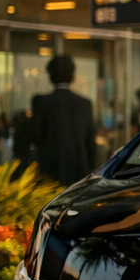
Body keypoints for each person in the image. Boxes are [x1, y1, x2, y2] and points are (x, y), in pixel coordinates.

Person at [29, 55, 96, 185]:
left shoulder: (41, 102)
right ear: (73, 76)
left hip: (48, 171)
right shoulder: (85, 104)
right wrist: (90, 169)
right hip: (79, 171)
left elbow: (35, 135)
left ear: (50, 76)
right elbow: (90, 141)